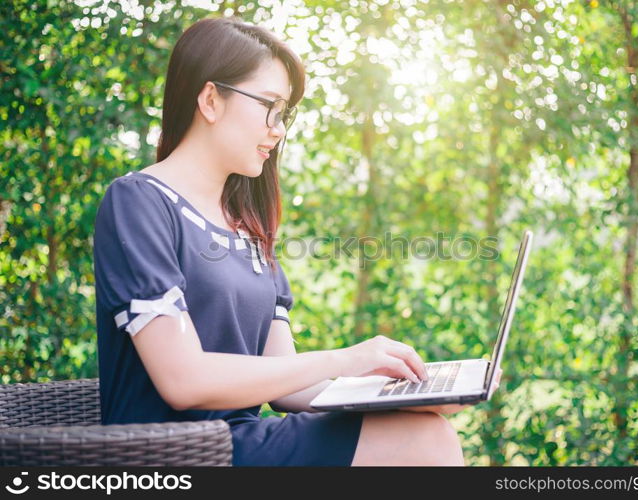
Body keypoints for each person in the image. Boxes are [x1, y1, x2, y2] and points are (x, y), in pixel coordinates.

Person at [92, 16, 501, 467]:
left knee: (423, 429)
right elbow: (182, 380)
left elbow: (289, 387)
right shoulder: (139, 202)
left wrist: (397, 393)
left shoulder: (247, 229)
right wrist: (343, 359)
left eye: (284, 113)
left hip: (237, 441)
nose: (278, 129)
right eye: (269, 105)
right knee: (424, 443)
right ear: (211, 99)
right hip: (168, 455)